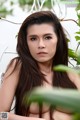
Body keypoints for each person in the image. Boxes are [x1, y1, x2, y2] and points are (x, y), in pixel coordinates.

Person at [0, 10, 80, 120]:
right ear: (26, 42)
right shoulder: (19, 66)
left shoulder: (71, 75)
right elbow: (1, 115)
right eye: (33, 38)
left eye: (47, 37)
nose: (41, 45)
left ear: (58, 39)